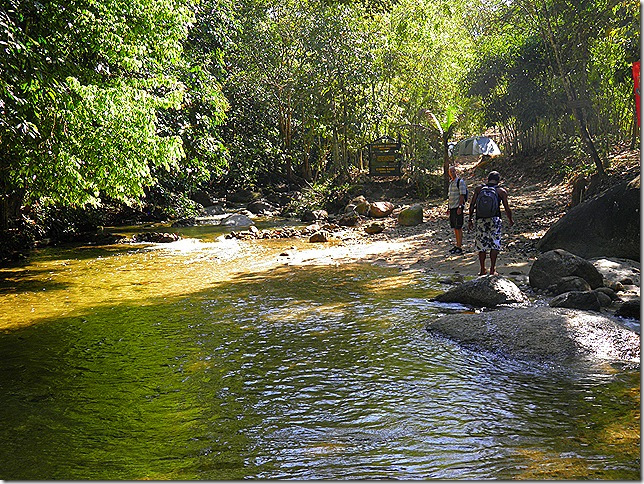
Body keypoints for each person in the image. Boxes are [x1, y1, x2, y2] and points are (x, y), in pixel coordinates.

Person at [467, 170, 514, 275]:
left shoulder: (479, 189)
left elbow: (471, 206)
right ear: (498, 181)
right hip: (495, 219)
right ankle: (492, 269)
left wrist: (470, 219)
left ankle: (482, 269)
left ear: (487, 179)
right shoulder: (501, 191)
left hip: (480, 219)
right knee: (494, 244)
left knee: (481, 245)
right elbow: (507, 208)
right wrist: (510, 219)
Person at [446, 166, 467, 255]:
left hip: (457, 208)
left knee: (459, 227)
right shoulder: (451, 183)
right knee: (455, 227)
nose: (453, 172)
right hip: (452, 208)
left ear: (456, 171)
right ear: (449, 173)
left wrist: (460, 207)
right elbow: (450, 196)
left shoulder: (460, 182)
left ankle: (459, 246)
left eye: (454, 171)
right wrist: (448, 208)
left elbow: (462, 195)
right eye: (451, 171)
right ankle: (457, 244)